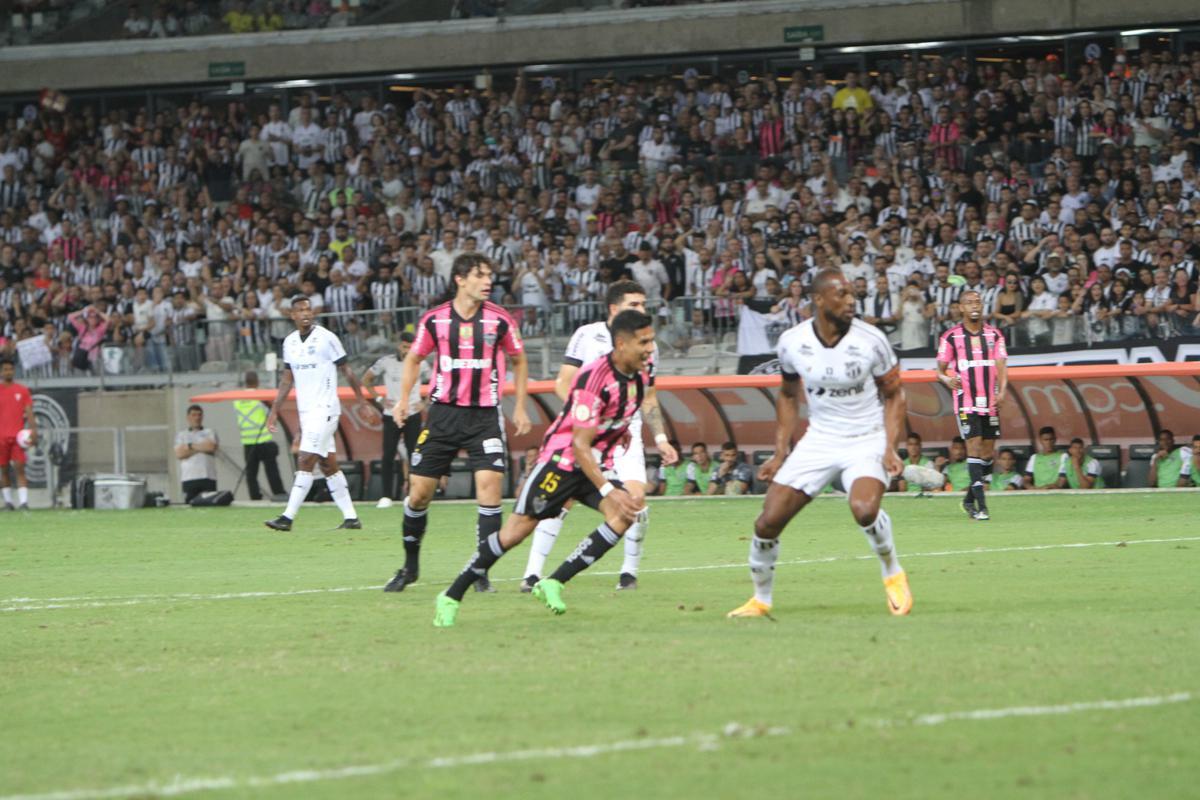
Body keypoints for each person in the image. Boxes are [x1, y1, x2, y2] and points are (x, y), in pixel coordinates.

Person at [432, 310, 664, 627]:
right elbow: (580, 445)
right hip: (563, 462)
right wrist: (609, 489)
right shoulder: (593, 379)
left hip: (596, 461)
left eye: (651, 340)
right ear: (621, 343)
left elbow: (626, 407)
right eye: (644, 342)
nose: (651, 348)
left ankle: (553, 582)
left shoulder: (642, 370)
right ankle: (451, 595)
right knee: (514, 533)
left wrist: (620, 432)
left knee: (625, 514)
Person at [727, 269, 912, 619]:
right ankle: (760, 600)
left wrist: (889, 446)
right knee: (768, 521)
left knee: (864, 509)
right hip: (819, 440)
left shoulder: (872, 340)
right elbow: (786, 394)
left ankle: (893, 573)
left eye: (852, 294)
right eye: (841, 294)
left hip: (866, 437)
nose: (850, 300)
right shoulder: (792, 342)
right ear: (819, 300)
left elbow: (895, 395)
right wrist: (781, 451)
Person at [383, 253, 531, 594]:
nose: (488, 281)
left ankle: (480, 572)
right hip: (442, 416)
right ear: (460, 280)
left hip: (484, 417)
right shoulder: (435, 320)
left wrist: (520, 406)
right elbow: (414, 359)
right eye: (480, 275)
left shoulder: (499, 320)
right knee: (419, 495)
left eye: (490, 275)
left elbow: (519, 359)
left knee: (490, 490)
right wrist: (405, 400)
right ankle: (410, 566)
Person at [520, 280, 677, 592]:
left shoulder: (649, 345)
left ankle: (628, 574)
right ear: (614, 308)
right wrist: (584, 418)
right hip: (586, 430)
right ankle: (532, 575)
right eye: (635, 305)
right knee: (560, 500)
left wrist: (661, 439)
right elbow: (563, 383)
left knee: (635, 500)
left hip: (625, 431)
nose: (642, 311)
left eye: (644, 305)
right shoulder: (586, 335)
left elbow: (649, 397)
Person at [263, 296, 368, 531]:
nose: (305, 313)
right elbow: (287, 379)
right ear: (292, 315)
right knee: (328, 464)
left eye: (308, 309)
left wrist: (361, 401)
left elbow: (347, 371)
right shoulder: (289, 342)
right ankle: (351, 517)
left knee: (305, 458)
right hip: (306, 411)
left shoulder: (327, 338)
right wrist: (274, 410)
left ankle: (287, 517)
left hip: (326, 408)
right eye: (300, 310)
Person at [935, 289, 1008, 520]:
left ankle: (968, 499)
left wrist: (1003, 391)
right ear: (961, 307)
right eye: (969, 302)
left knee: (987, 454)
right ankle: (982, 507)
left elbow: (1002, 368)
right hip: (966, 402)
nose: (974, 305)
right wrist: (947, 379)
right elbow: (939, 370)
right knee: (974, 447)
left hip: (990, 402)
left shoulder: (995, 335)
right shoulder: (951, 337)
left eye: (978, 301)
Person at [362, 332, 427, 508]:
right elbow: (366, 380)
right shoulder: (386, 362)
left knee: (414, 454)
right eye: (405, 346)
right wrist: (379, 399)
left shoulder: (421, 363)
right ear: (400, 345)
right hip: (391, 413)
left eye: (411, 347)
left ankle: (412, 495)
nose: (408, 350)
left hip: (412, 413)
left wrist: (425, 402)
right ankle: (386, 496)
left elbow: (438, 381)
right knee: (388, 455)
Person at [234, 371, 285, 502]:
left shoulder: (237, 400)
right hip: (264, 439)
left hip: (247, 441)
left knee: (251, 473)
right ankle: (278, 493)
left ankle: (255, 497)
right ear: (257, 382)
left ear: (245, 382)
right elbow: (270, 413)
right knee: (271, 470)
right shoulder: (260, 397)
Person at [0, 358, 36, 510]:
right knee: (4, 469)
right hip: (1, 437)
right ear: (1, 371)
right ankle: (8, 502)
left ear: (14, 371)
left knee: (20, 468)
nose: (8, 372)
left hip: (18, 437)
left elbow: (29, 413)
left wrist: (34, 431)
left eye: (10, 369)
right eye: (5, 369)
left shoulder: (22, 390)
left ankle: (23, 502)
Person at [174, 404, 219, 503]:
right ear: (188, 417)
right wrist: (201, 447)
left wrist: (190, 446)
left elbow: (211, 447)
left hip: (207, 477)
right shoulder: (182, 435)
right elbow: (180, 454)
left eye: (199, 415)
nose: (197, 418)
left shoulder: (209, 432)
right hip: (189, 477)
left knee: (210, 505)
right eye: (194, 415)